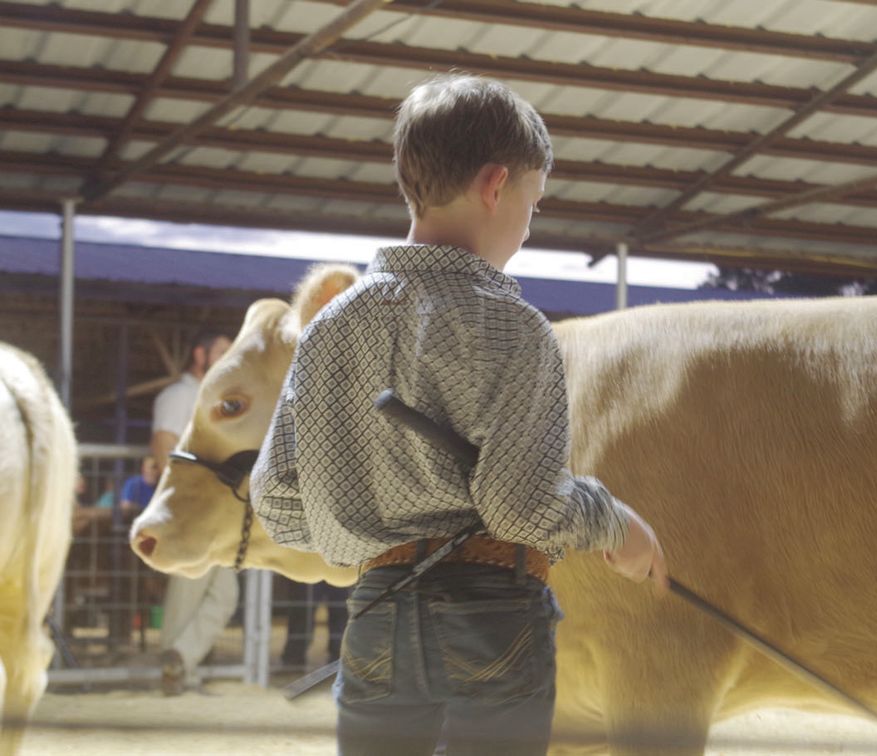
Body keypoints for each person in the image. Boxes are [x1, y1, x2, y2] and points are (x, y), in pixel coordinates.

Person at [251, 73, 668, 756]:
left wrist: (368, 535)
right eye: (532, 203)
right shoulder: (511, 327)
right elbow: (519, 508)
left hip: (376, 614)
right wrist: (615, 523)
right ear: (496, 185)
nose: (529, 224)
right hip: (492, 615)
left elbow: (277, 499)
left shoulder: (331, 327)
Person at [150, 331, 240, 697]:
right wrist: (174, 502)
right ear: (199, 353)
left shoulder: (211, 397)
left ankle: (179, 661)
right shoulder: (180, 395)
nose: (228, 356)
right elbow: (161, 443)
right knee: (189, 590)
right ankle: (174, 673)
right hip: (187, 509)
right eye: (221, 351)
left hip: (210, 511)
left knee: (223, 593)